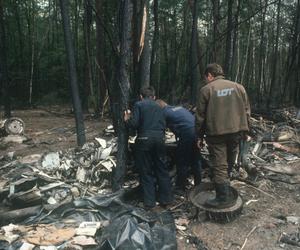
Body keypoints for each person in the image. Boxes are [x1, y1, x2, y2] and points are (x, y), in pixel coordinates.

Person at [195, 63, 250, 208]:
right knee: (230, 159)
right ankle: (224, 184)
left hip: (216, 133)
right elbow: (246, 111)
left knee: (219, 165)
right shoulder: (239, 87)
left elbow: (200, 116)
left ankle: (222, 198)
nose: (206, 80)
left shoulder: (206, 90)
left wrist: (199, 136)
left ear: (209, 75)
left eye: (206, 77)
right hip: (236, 131)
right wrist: (246, 131)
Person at [124, 86, 173, 210]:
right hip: (160, 139)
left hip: (144, 139)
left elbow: (134, 124)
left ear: (141, 96)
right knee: (161, 168)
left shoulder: (139, 105)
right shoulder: (160, 106)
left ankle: (149, 202)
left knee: (146, 170)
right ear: (154, 96)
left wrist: (127, 120)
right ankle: (166, 199)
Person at [156, 99, 201, 192]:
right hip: (196, 131)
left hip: (186, 133)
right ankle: (199, 184)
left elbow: (161, 129)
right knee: (196, 159)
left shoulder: (164, 113)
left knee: (182, 160)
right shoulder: (178, 108)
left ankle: (180, 186)